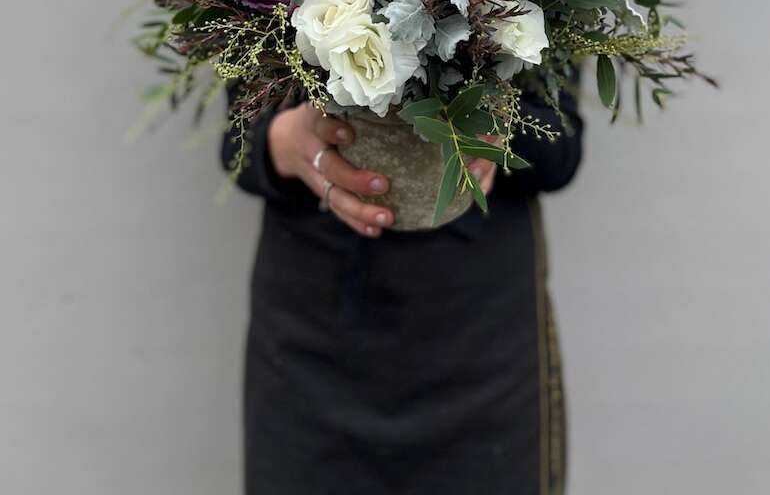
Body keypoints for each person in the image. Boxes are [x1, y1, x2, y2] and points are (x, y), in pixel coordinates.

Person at [221, 83, 583, 495]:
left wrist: (494, 131)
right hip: (312, 340)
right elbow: (236, 144)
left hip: (480, 347)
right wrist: (286, 140)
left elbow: (561, 147)